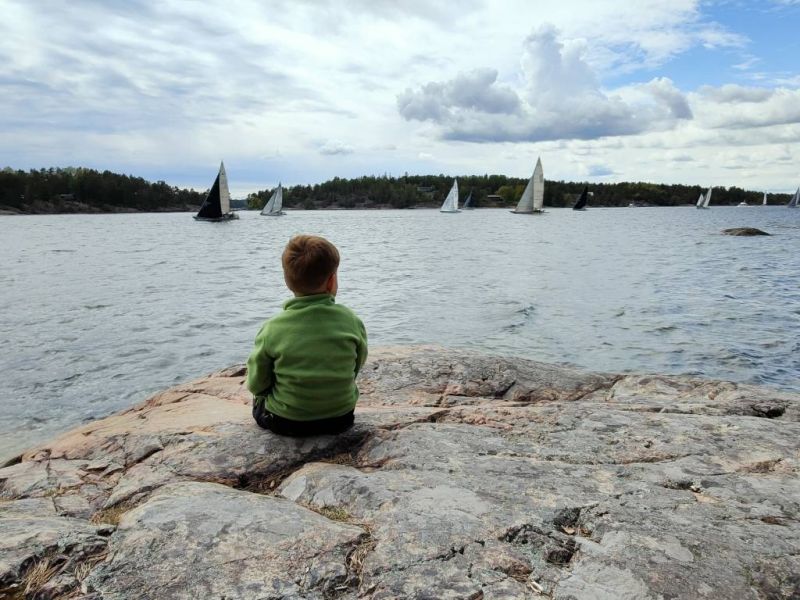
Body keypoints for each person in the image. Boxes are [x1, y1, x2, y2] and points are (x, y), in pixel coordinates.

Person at [246, 234, 368, 436]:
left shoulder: (272, 328)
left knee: (259, 400)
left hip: (287, 423)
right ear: (331, 281)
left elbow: (257, 384)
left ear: (287, 282)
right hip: (341, 419)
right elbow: (356, 365)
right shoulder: (351, 321)